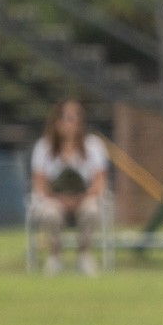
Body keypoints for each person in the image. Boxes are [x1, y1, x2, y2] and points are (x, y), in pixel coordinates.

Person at [29, 98, 110, 275]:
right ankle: (55, 256)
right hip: (54, 199)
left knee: (92, 211)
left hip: (84, 198)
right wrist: (61, 199)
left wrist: (80, 198)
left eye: (75, 117)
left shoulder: (94, 146)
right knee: (49, 213)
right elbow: (40, 185)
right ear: (56, 121)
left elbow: (99, 182)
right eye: (67, 117)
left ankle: (83, 255)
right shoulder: (43, 147)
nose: (71, 123)